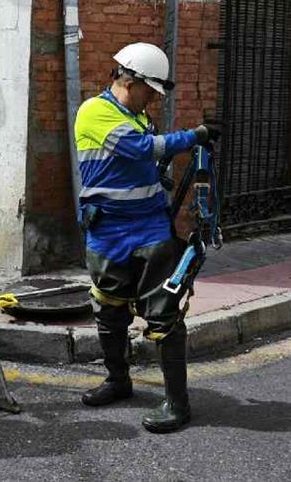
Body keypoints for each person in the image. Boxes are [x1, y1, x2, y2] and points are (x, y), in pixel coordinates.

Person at [74, 42, 221, 433]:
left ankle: (178, 403)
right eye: (149, 92)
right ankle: (118, 381)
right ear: (131, 81)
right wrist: (195, 135)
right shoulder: (95, 112)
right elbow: (141, 150)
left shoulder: (140, 119)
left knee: (165, 316)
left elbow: (150, 160)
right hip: (107, 232)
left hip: (150, 230)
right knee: (109, 309)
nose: (152, 102)